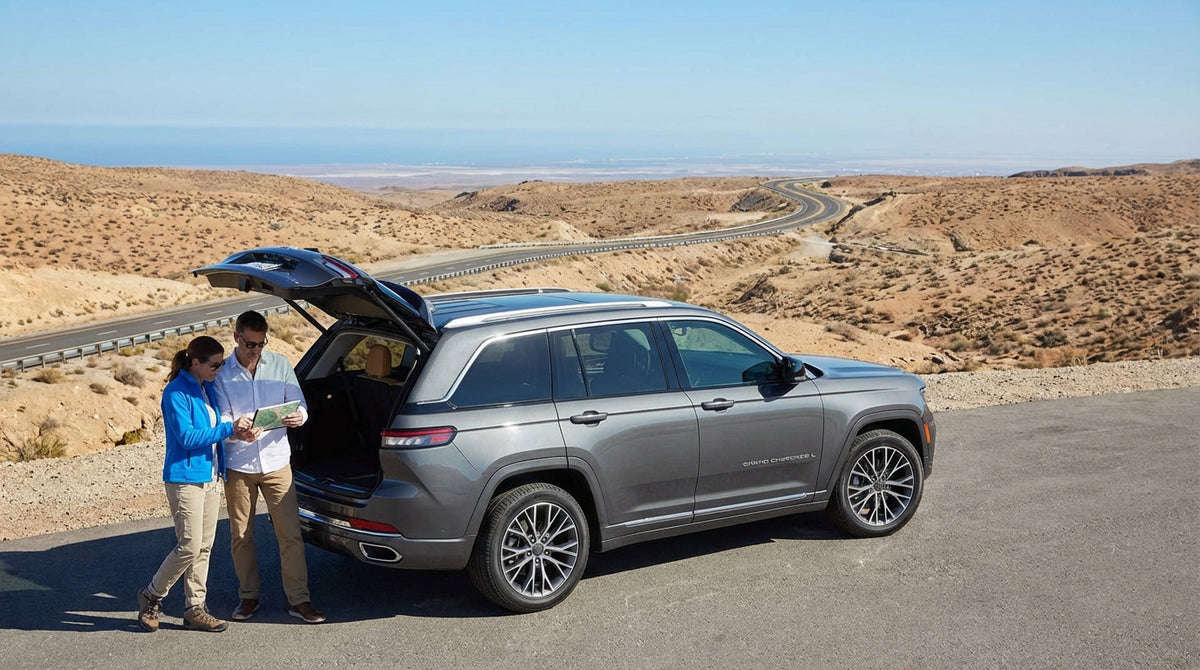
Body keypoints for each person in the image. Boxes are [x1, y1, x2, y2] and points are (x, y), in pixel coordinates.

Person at [213, 310, 326, 624]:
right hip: (239, 464)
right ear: (236, 337)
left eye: (261, 344)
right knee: (241, 535)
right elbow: (220, 416)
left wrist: (297, 417)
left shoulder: (280, 365)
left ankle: (299, 600)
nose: (255, 350)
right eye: (250, 344)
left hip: (277, 462)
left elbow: (299, 404)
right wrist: (235, 426)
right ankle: (248, 597)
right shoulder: (222, 375)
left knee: (290, 535)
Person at [137, 335, 254, 633]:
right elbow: (187, 438)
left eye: (222, 363)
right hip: (185, 478)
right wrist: (228, 429)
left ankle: (195, 608)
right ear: (196, 362)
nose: (219, 369)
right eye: (214, 364)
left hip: (212, 475)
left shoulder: (208, 387)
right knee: (188, 546)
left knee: (204, 547)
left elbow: (214, 428)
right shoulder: (176, 393)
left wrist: (236, 431)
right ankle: (152, 594)